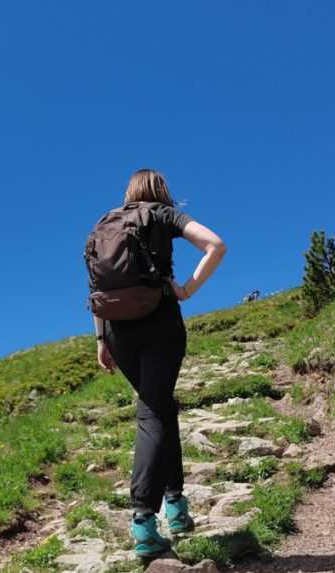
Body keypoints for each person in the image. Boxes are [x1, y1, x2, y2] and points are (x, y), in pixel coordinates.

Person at [88, 169, 226, 557]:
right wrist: (186, 289)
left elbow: (97, 287)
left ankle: (177, 508)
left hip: (117, 331)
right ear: (161, 191)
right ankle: (144, 521)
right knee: (153, 412)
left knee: (161, 407)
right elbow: (215, 245)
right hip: (159, 321)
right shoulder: (163, 215)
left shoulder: (106, 224)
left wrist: (101, 340)